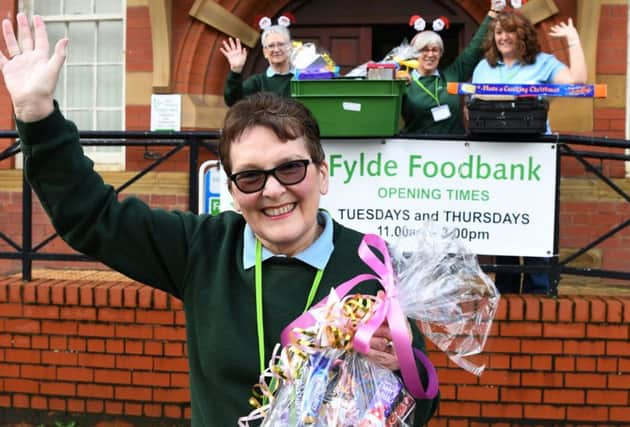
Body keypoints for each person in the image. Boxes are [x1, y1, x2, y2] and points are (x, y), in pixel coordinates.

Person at [0, 13, 438, 426]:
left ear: (321, 174)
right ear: (231, 191)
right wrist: (38, 116)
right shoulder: (203, 249)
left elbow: (421, 403)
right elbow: (93, 217)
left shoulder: (371, 262)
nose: (272, 190)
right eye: (250, 176)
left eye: (290, 168)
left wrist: (401, 371)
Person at [471, 9, 587, 294]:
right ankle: (508, 290)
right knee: (505, 222)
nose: (503, 37)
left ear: (522, 34)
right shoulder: (484, 67)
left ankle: (540, 291)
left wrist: (573, 40)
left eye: (509, 31)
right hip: (497, 160)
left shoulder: (543, 63)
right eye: (499, 32)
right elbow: (470, 106)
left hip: (536, 160)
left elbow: (577, 84)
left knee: (536, 223)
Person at [401, 0, 505, 135]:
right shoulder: (404, 82)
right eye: (424, 50)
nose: (430, 54)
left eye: (435, 50)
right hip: (416, 153)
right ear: (414, 54)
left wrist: (493, 12)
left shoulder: (452, 75)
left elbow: (475, 47)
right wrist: (392, 82)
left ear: (441, 53)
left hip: (454, 152)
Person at [221, 24, 294, 107]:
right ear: (265, 52)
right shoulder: (257, 82)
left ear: (290, 47)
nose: (276, 50)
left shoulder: (302, 78)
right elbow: (233, 102)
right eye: (271, 46)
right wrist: (235, 71)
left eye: (281, 44)